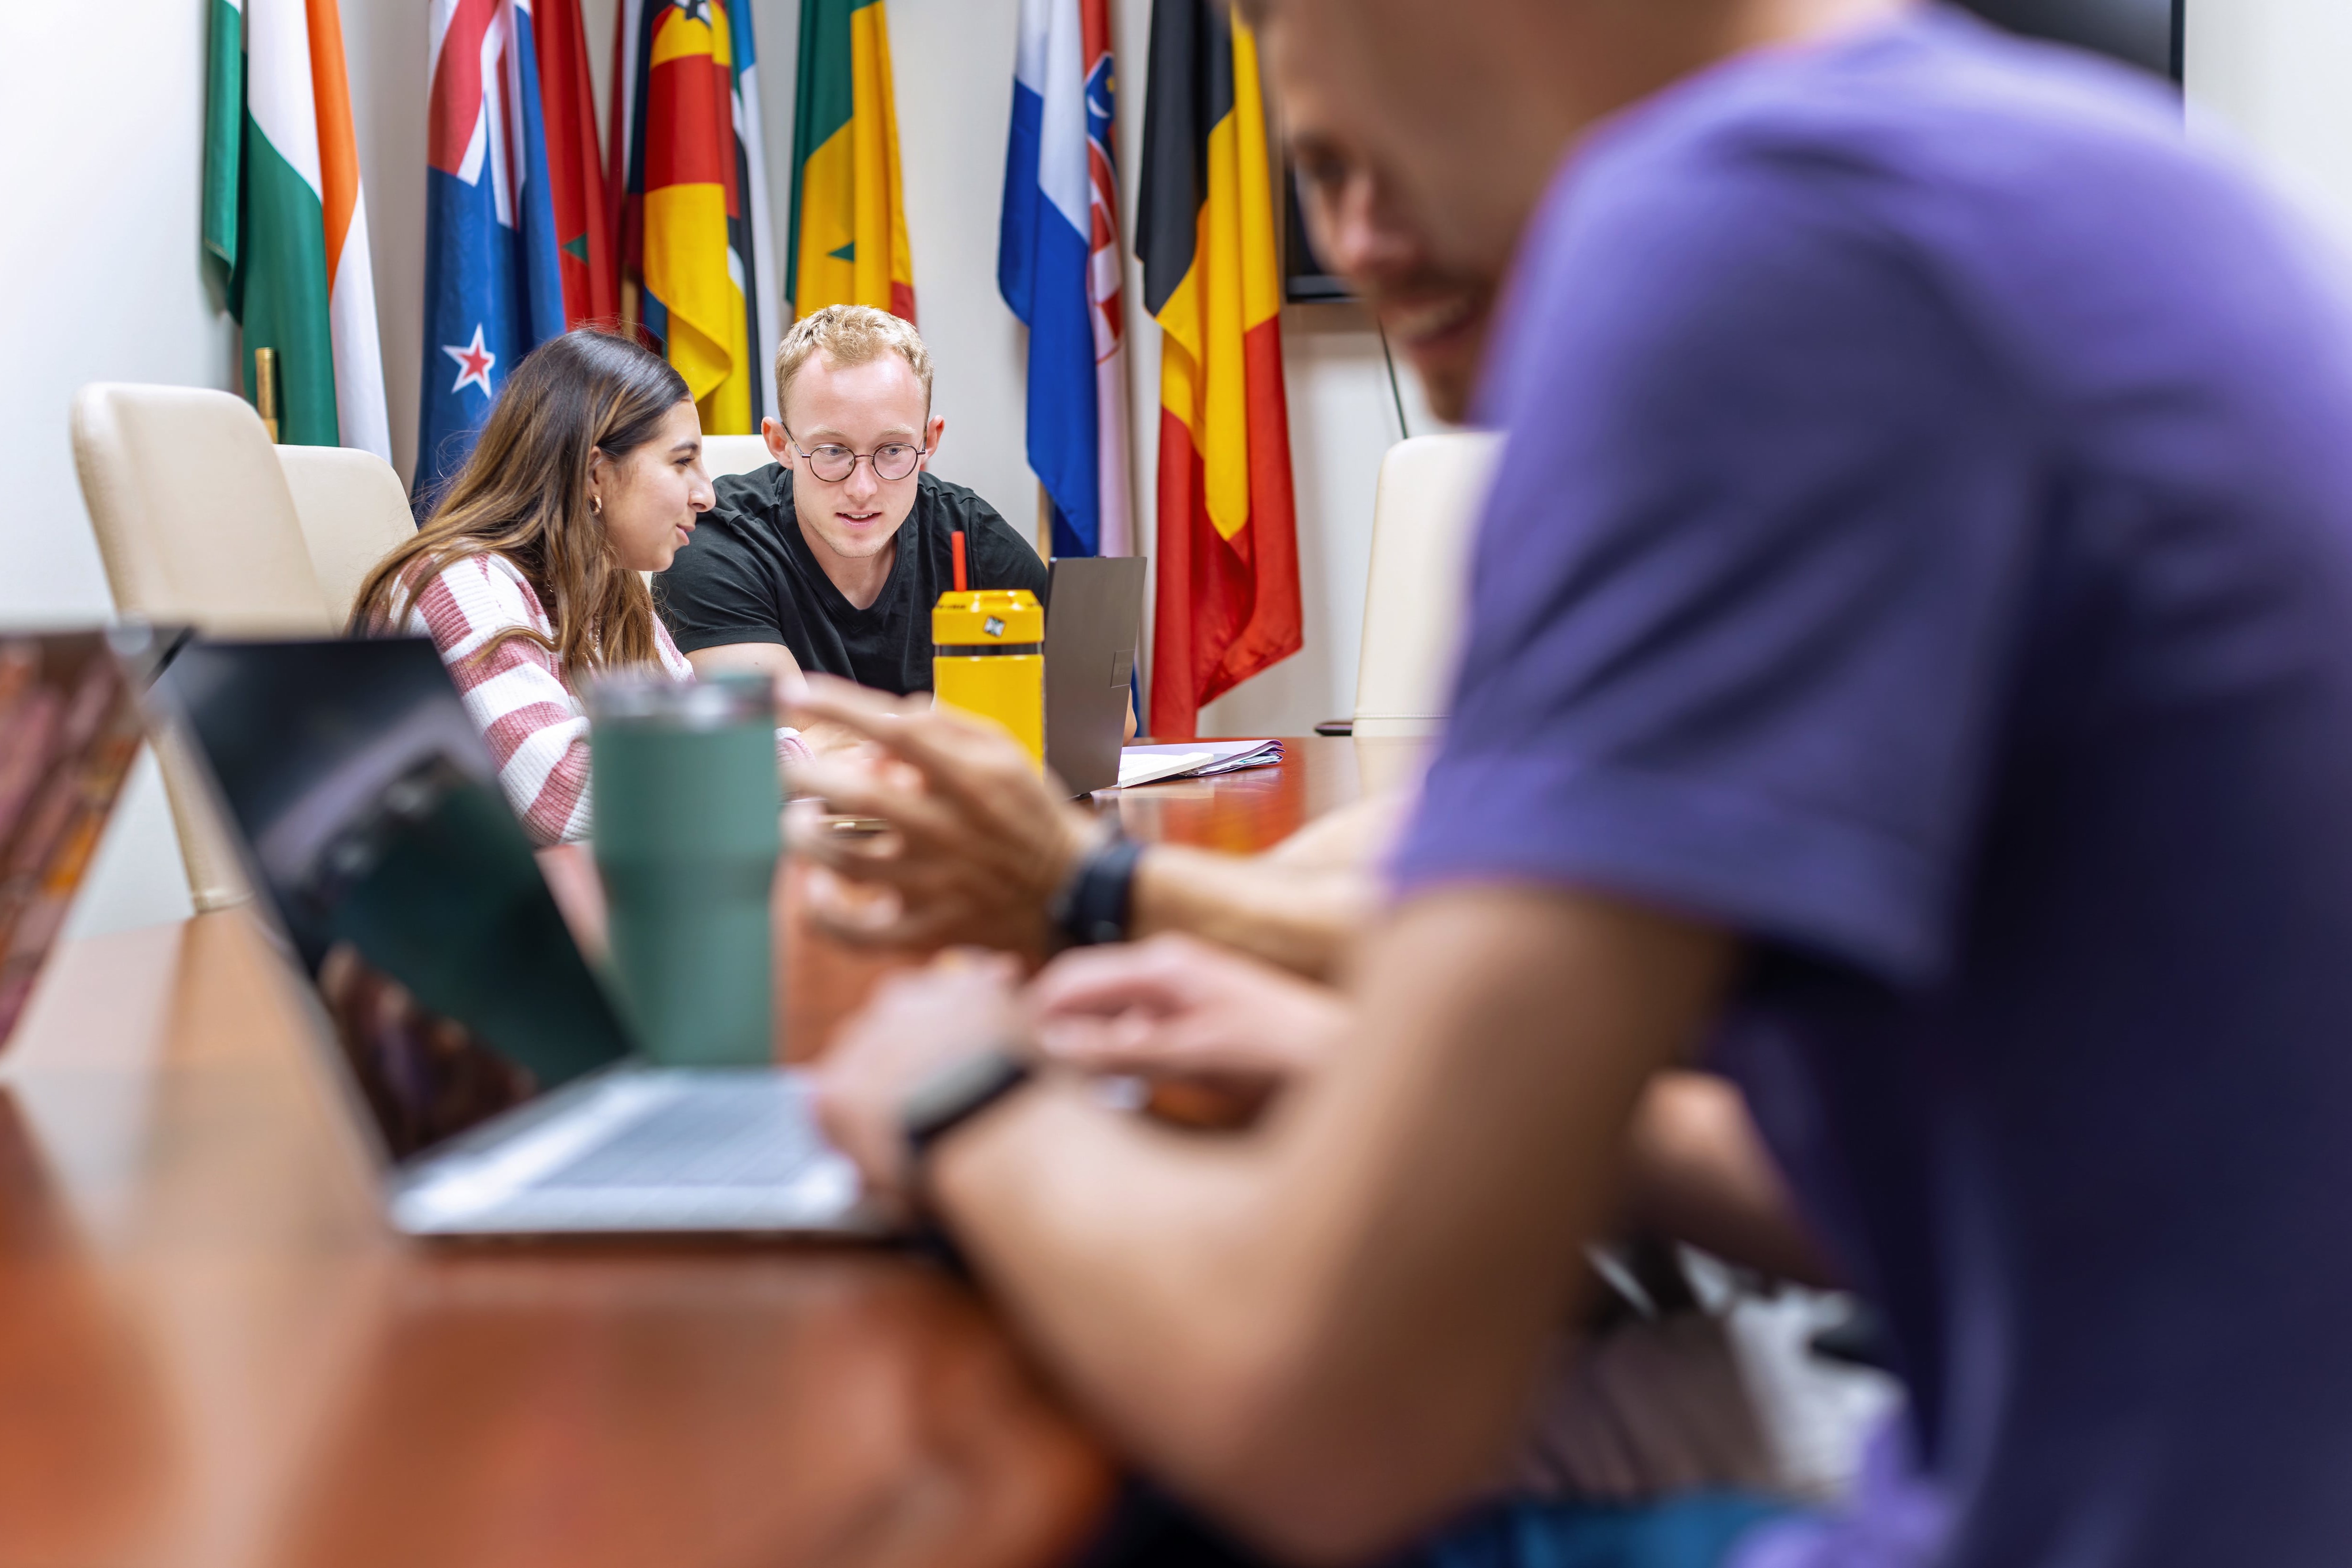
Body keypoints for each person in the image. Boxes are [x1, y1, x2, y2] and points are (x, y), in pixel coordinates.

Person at [801, 3, 2352, 1568]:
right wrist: (1361, 1051)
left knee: (970, 1491)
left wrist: (956, 1089)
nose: (1340, 218)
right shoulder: (2052, 179)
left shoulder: (1758, 235)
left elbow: (1330, 1407)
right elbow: (1991, 1187)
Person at [350, 329, 808, 846]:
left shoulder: (611, 590)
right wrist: (798, 769)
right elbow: (557, 789)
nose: (707, 494)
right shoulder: (457, 582)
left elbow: (700, 729)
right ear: (595, 474)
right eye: (682, 462)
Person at [656, 305, 1048, 699]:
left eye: (892, 449)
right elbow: (787, 739)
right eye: (832, 451)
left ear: (929, 441)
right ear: (781, 444)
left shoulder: (970, 535)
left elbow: (1096, 707)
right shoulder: (714, 541)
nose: (862, 489)